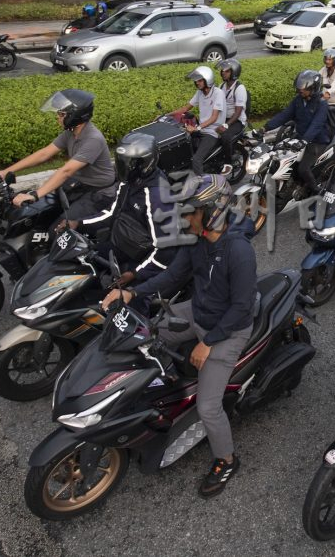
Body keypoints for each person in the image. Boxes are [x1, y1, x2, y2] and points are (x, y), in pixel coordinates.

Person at [102, 174, 256, 497]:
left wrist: (207, 343)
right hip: (198, 311)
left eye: (191, 211)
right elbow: (172, 277)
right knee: (147, 333)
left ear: (213, 211)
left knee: (208, 407)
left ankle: (227, 460)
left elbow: (242, 308)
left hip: (227, 330)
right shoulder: (197, 241)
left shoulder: (239, 251)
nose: (186, 218)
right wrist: (132, 293)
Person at [75, 133, 177, 308]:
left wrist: (135, 273)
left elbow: (166, 251)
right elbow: (112, 213)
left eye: (128, 163)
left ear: (145, 164)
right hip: (122, 244)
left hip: (144, 260)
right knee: (80, 260)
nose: (122, 167)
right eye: (121, 161)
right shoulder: (130, 181)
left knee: (125, 305)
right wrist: (79, 224)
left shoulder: (157, 197)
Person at [0, 89, 117, 220]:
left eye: (61, 114)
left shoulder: (93, 139)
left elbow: (66, 171)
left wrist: (35, 195)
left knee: (60, 227)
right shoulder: (71, 132)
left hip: (99, 192)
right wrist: (6, 171)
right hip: (79, 184)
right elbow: (44, 153)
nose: (58, 117)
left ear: (75, 116)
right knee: (42, 214)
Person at [264, 70, 333, 196]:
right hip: (300, 137)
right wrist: (265, 128)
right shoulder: (298, 100)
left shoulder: (321, 103)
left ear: (313, 88)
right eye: (299, 88)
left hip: (317, 140)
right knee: (278, 155)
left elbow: (316, 125)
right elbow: (284, 115)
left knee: (303, 168)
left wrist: (304, 141)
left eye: (304, 88)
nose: (300, 90)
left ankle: (317, 190)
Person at [181, 66, 226, 175]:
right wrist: (165, 115)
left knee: (196, 160)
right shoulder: (199, 93)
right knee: (182, 145)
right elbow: (185, 108)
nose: (197, 83)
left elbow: (214, 118)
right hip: (201, 130)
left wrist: (197, 128)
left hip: (212, 132)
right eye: (196, 81)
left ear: (207, 80)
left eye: (200, 80)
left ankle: (202, 183)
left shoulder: (218, 93)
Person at [216, 59, 248, 154]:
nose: (223, 73)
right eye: (222, 70)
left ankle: (228, 161)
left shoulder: (239, 88)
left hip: (236, 121)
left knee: (226, 136)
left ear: (234, 72)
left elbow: (238, 112)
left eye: (227, 71)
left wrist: (226, 125)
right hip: (223, 118)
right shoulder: (221, 86)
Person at [318, 48, 335, 118]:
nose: (327, 61)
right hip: (322, 99)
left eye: (330, 60)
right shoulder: (324, 69)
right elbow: (317, 76)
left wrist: (328, 92)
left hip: (333, 102)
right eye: (326, 59)